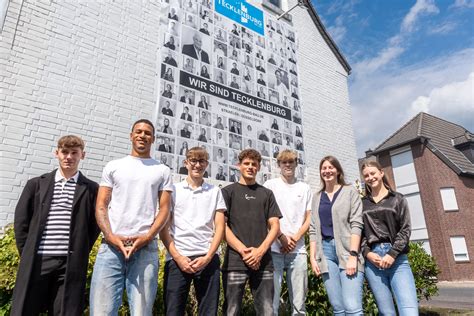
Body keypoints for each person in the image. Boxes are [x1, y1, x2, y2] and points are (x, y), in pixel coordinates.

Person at [90, 119, 172, 315]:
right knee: (101, 312)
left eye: (147, 133)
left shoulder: (162, 170)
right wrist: (110, 236)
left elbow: (164, 209)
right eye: (138, 131)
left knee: (142, 312)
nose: (142, 135)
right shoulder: (114, 166)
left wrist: (147, 237)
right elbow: (101, 205)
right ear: (131, 135)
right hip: (110, 248)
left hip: (145, 249)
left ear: (153, 139)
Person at [12, 135, 99, 316]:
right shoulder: (36, 184)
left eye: (74, 152)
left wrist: (79, 251)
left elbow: (93, 227)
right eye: (64, 152)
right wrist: (27, 252)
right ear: (57, 153)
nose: (69, 157)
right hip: (38, 261)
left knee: (64, 311)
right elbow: (21, 222)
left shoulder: (91, 189)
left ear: (82, 155)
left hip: (69, 265)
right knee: (26, 309)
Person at [160, 147, 226, 316]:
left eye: (201, 161)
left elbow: (220, 226)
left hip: (207, 259)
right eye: (193, 161)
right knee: (173, 311)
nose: (197, 165)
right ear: (186, 163)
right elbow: (164, 227)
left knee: (208, 312)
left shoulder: (215, 191)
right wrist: (178, 257)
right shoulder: (173, 190)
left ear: (207, 164)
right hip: (177, 259)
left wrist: (208, 257)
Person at [222, 149, 282, 315]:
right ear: (238, 166)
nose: (250, 167)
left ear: (258, 167)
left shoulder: (267, 194)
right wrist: (244, 251)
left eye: (254, 164)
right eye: (246, 163)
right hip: (235, 261)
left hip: (263, 262)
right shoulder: (227, 192)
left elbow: (275, 226)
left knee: (267, 311)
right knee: (231, 311)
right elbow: (221, 227)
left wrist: (260, 252)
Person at [360, 160, 419, 315]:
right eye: (366, 175)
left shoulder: (398, 199)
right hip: (373, 263)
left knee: (409, 311)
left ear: (381, 173)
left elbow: (405, 230)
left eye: (373, 173)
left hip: (397, 260)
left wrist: (392, 254)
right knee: (387, 313)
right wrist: (368, 253)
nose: (370, 177)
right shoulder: (361, 204)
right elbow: (360, 233)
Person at [309, 156, 364, 315]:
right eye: (324, 168)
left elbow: (356, 224)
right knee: (338, 307)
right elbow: (313, 228)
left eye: (330, 167)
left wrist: (353, 255)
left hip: (347, 251)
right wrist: (313, 257)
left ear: (338, 170)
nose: (327, 171)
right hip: (325, 253)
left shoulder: (350, 191)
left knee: (352, 307)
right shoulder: (317, 197)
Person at [263, 150, 312, 315]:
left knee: (299, 305)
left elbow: (309, 218)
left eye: (291, 161)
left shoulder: (304, 188)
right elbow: (265, 216)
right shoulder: (270, 185)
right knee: (271, 303)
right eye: (284, 162)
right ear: (279, 165)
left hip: (298, 251)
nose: (288, 165)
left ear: (296, 164)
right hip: (274, 249)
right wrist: (281, 238)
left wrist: (295, 239)